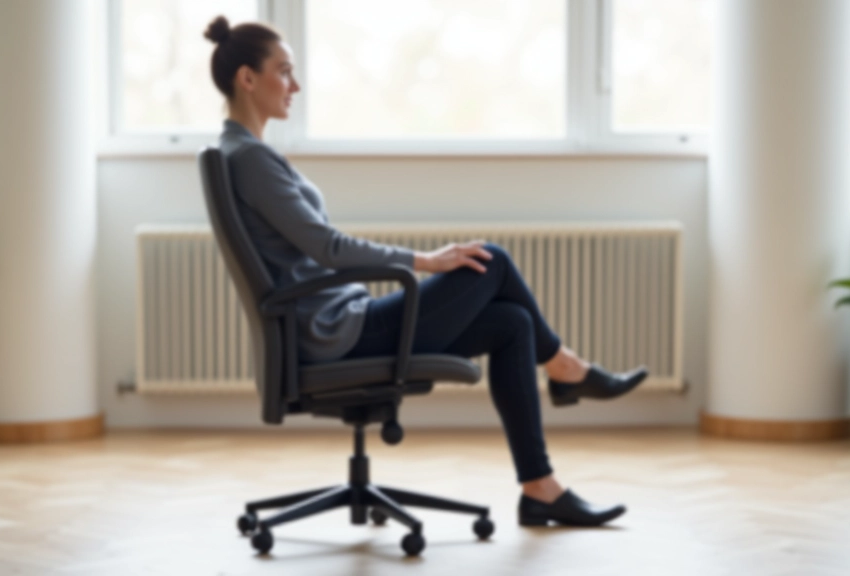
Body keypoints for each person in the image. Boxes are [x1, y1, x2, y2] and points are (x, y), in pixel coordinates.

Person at [203, 16, 648, 528]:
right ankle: (567, 369)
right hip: (338, 335)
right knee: (492, 260)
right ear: (248, 78)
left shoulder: (243, 154)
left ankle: (540, 489)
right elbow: (328, 248)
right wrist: (427, 260)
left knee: (513, 324)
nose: (295, 85)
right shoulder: (251, 160)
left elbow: (316, 251)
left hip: (340, 323)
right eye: (284, 71)